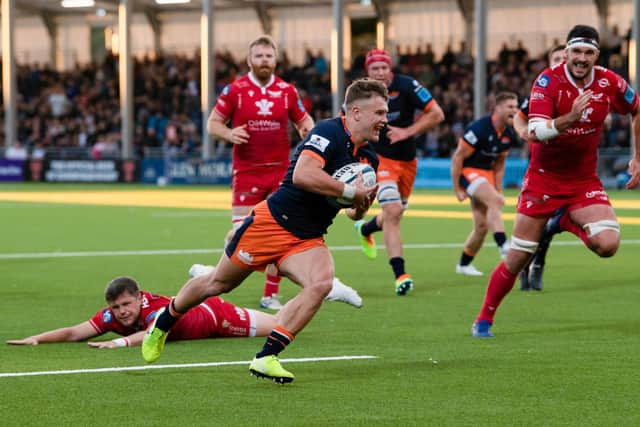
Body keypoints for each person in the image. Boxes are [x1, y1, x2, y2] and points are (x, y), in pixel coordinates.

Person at [142, 79, 386, 384]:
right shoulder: (327, 131)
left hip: (308, 238)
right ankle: (163, 322)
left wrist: (362, 204)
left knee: (321, 283)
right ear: (356, 112)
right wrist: (351, 192)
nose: (384, 119)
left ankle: (266, 357)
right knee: (217, 284)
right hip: (272, 224)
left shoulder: (369, 158)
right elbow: (303, 175)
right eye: (379, 111)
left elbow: (352, 213)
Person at [471, 25, 640, 338]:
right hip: (543, 181)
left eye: (588, 52)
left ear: (596, 56)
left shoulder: (609, 81)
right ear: (567, 52)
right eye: (576, 51)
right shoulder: (548, 81)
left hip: (583, 180)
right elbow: (535, 131)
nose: (581, 58)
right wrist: (569, 119)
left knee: (608, 244)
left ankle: (564, 220)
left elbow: (636, 108)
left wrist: (637, 157)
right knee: (519, 256)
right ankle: (484, 318)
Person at [207, 35, 315, 310]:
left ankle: (270, 295)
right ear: (249, 60)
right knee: (241, 235)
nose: (264, 61)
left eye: (268, 56)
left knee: (278, 234)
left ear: (275, 60)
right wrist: (230, 133)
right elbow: (213, 124)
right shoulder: (235, 90)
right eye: (259, 56)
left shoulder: (287, 91)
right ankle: (215, 275)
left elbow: (304, 122)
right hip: (247, 172)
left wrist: (308, 136)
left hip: (281, 174)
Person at [353, 49, 445, 296]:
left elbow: (437, 114)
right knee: (392, 210)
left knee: (394, 214)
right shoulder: (360, 94)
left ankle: (366, 229)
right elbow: (348, 124)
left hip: (407, 161)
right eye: (375, 69)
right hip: (379, 159)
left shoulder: (407, 86)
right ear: (368, 72)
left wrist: (406, 132)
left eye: (384, 67)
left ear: (390, 68)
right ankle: (400, 275)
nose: (380, 72)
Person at [6, 276, 277, 348]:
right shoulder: (111, 317)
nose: (122, 312)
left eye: (126, 304)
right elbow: (76, 332)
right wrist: (38, 338)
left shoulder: (153, 307)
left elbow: (152, 333)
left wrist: (119, 341)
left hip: (217, 318)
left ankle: (315, 289)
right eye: (116, 307)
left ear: (139, 298)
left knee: (279, 326)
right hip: (205, 315)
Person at [514, 45, 567, 291]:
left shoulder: (582, 88)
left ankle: (538, 264)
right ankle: (529, 267)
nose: (561, 62)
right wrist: (522, 130)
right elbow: (519, 115)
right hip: (543, 167)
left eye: (564, 58)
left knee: (557, 221)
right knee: (535, 223)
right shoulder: (542, 89)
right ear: (549, 62)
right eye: (556, 58)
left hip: (573, 169)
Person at [451, 91, 519, 276]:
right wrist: (457, 188)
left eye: (516, 106)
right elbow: (458, 158)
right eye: (510, 106)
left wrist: (498, 188)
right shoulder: (478, 129)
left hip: (486, 174)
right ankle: (503, 245)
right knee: (495, 202)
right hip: (469, 172)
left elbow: (499, 163)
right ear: (497, 108)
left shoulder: (508, 134)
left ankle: (464, 264)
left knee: (481, 227)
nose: (515, 110)